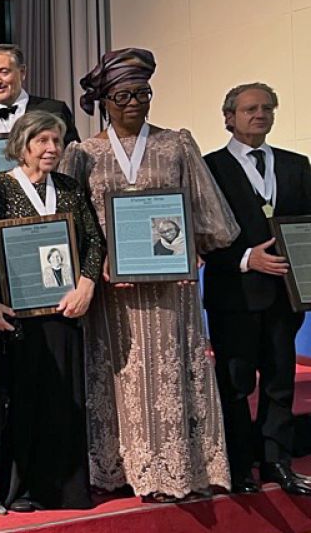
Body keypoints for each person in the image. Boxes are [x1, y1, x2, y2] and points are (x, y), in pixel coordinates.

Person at [60, 47, 238, 501]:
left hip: (168, 286)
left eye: (143, 92)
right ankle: (122, 468)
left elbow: (207, 214)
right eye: (124, 94)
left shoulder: (175, 143)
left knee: (170, 372)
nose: (135, 102)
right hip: (111, 290)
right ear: (105, 100)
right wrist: (91, 263)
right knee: (120, 374)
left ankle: (176, 470)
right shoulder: (83, 154)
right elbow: (68, 222)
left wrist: (193, 249)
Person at [0, 110, 104, 511]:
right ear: (22, 145)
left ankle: (65, 489)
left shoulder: (67, 187)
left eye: (57, 141)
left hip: (63, 311)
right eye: (42, 141)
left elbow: (94, 242)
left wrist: (87, 284)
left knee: (64, 399)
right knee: (20, 400)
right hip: (13, 316)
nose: (51, 149)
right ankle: (20, 489)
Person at [203, 83, 311, 495]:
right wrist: (248, 259)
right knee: (235, 384)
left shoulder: (296, 164)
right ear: (229, 116)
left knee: (280, 383)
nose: (260, 114)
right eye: (250, 108)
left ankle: (276, 463)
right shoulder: (209, 167)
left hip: (286, 295)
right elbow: (199, 237)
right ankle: (237, 465)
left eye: (268, 107)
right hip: (235, 297)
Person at [0, 44, 79, 187]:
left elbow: (72, 160)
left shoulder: (54, 111)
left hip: (49, 199)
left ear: (22, 72)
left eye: (4, 72)